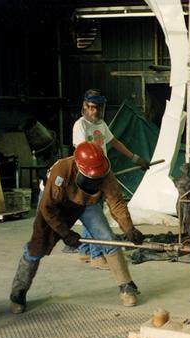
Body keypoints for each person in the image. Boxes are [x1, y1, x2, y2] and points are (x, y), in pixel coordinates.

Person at [9, 142, 145, 314]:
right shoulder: (62, 171)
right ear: (79, 167)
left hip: (88, 204)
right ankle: (18, 291)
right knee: (37, 247)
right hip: (56, 204)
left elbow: (116, 201)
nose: (95, 179)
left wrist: (129, 229)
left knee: (108, 239)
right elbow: (47, 208)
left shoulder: (104, 171)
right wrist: (65, 233)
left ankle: (127, 286)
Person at [72, 89, 149, 269]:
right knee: (93, 212)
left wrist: (135, 158)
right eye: (91, 108)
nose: (95, 112)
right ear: (84, 106)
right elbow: (81, 151)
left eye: (98, 108)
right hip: (89, 173)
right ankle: (96, 255)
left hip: (103, 170)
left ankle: (84, 251)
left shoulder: (101, 124)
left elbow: (114, 143)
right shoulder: (80, 126)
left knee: (103, 207)